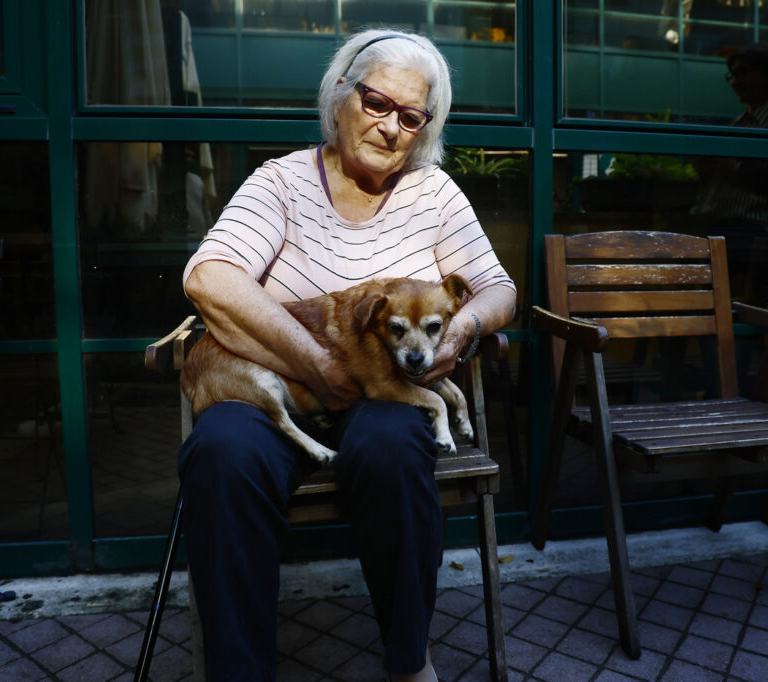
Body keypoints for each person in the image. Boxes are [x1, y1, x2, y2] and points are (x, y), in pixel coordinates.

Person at [178, 29, 517, 681]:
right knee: (222, 453)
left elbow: (497, 288)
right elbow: (209, 278)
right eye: (376, 102)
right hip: (278, 381)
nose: (391, 126)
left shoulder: (435, 195)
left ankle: (407, 660)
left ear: (425, 128)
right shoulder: (279, 183)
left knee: (393, 447)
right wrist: (315, 363)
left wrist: (462, 329)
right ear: (340, 97)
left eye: (411, 116)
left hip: (385, 389)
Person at [692, 42, 768, 301]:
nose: (735, 81)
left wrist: (735, 170)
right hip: (722, 226)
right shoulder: (739, 123)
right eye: (733, 75)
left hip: (753, 232)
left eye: (744, 73)